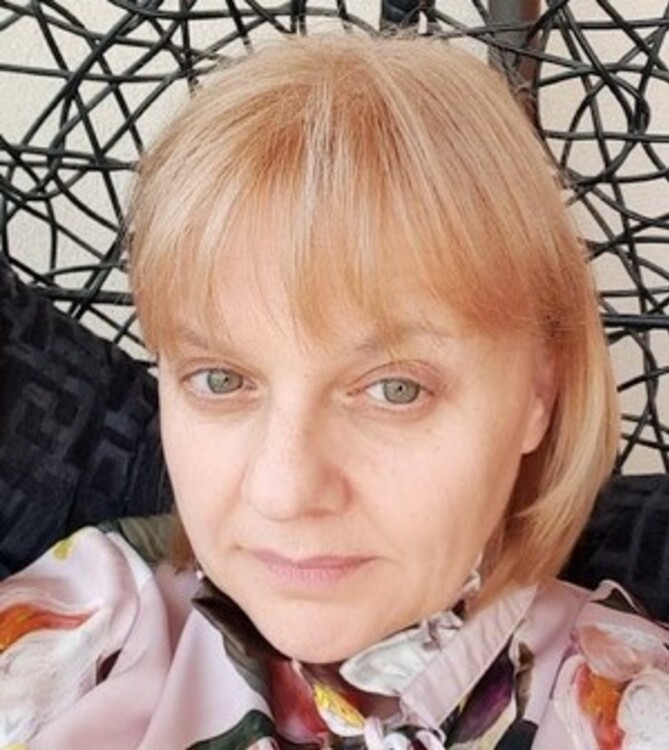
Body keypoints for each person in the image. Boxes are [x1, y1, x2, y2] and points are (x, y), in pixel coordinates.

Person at [2, 33, 668, 749]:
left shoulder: (634, 710)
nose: (283, 492)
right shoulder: (79, 636)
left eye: (394, 389)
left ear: (540, 391)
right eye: (221, 380)